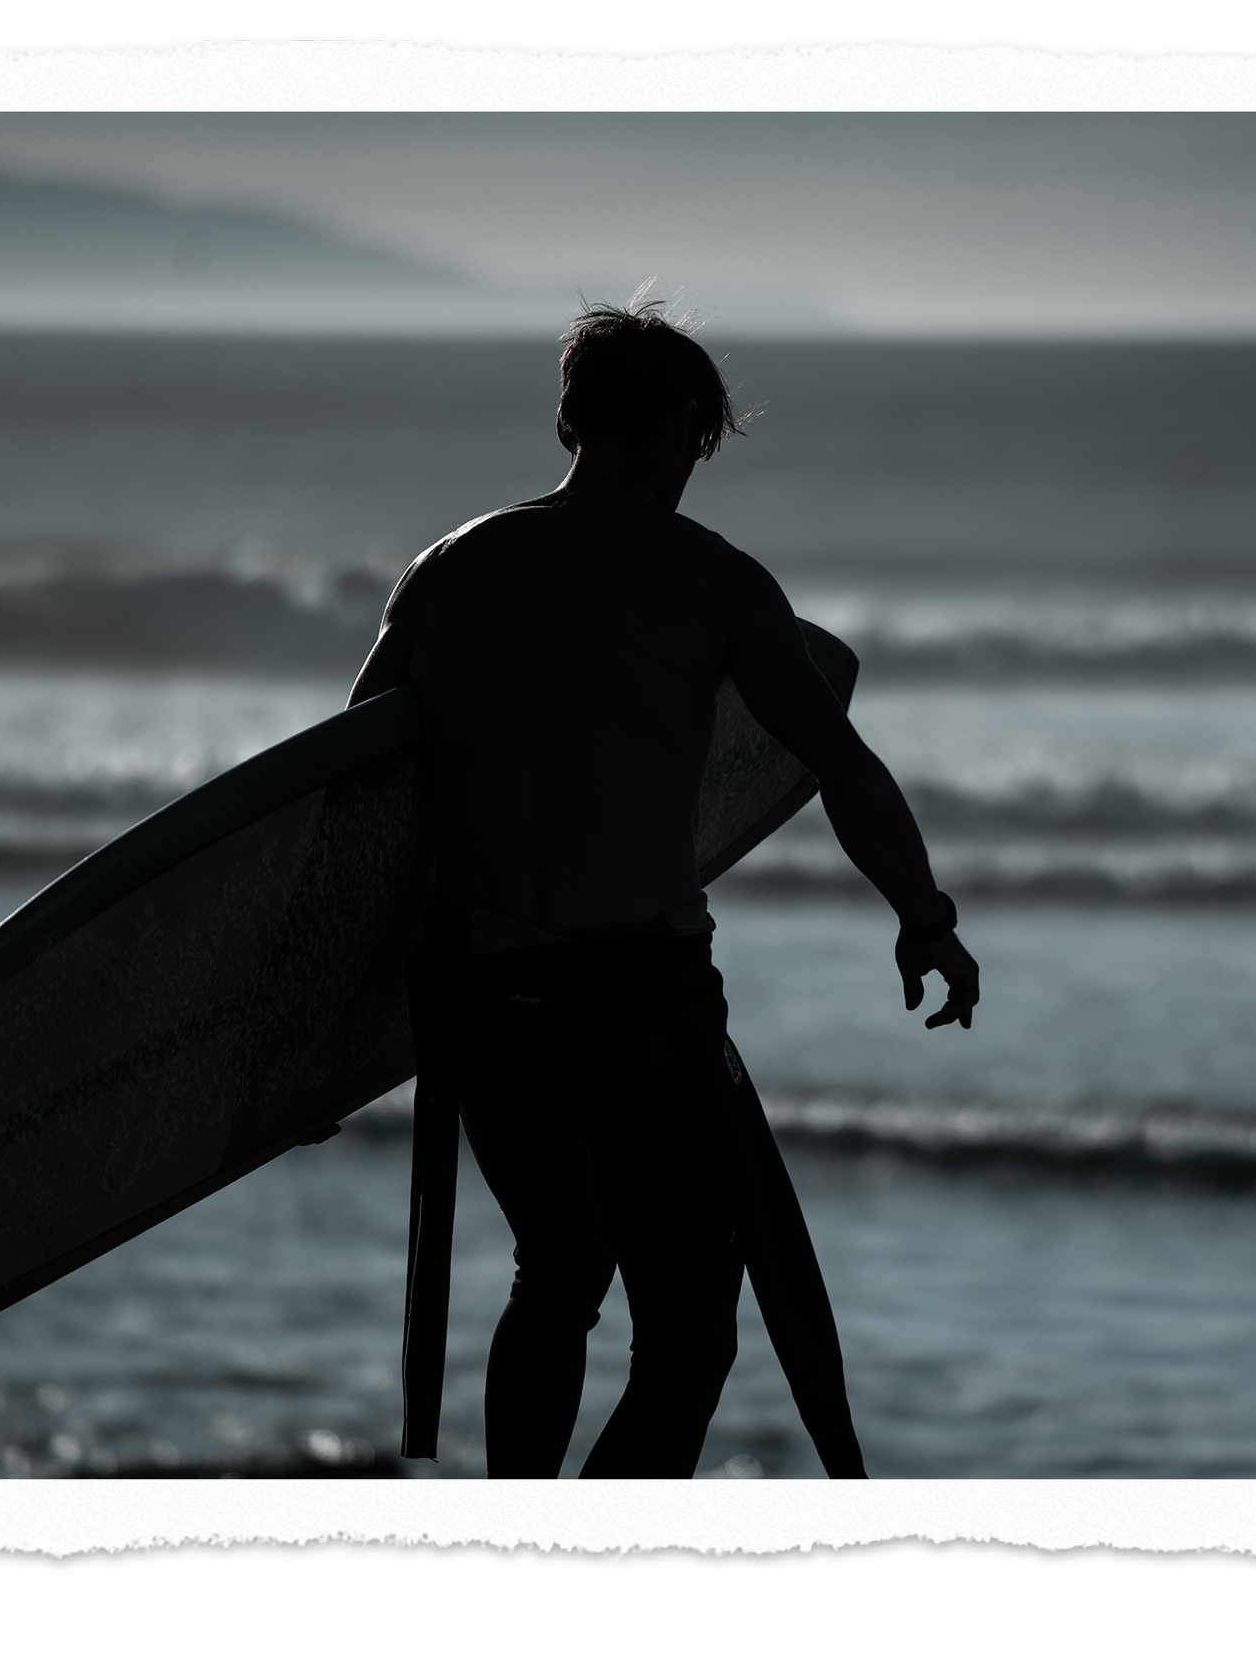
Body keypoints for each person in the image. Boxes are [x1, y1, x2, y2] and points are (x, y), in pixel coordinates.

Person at [348, 297, 978, 1478]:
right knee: (687, 1332)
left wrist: (313, 1027)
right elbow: (837, 760)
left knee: (557, 1271)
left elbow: (348, 794)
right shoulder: (713, 581)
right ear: (683, 425)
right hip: (637, 991)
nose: (698, 467)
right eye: (700, 442)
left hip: (483, 991)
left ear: (572, 419)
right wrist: (925, 917)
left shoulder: (449, 569)